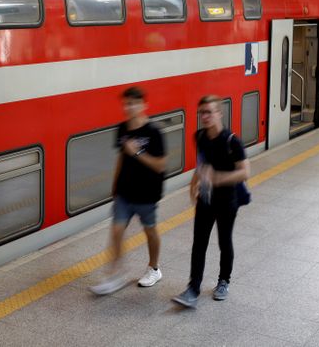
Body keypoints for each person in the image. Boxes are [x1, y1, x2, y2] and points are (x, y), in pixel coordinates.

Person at [173, 95, 250, 309]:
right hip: (205, 199)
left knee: (224, 242)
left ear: (219, 113)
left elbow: (245, 172)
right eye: (202, 113)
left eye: (209, 112)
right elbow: (202, 163)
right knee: (199, 243)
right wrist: (194, 183)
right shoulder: (199, 136)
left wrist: (217, 178)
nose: (205, 116)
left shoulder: (232, 140)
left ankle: (224, 281)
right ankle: (193, 288)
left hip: (228, 201)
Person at [90, 86, 166, 295]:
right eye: (126, 103)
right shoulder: (122, 129)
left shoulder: (154, 132)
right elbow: (122, 158)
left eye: (133, 103)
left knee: (150, 231)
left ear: (143, 105)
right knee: (116, 231)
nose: (129, 107)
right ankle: (115, 274)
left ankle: (154, 268)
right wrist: (114, 184)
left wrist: (138, 151)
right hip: (125, 192)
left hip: (147, 194)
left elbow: (160, 165)